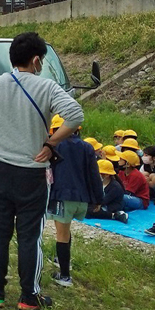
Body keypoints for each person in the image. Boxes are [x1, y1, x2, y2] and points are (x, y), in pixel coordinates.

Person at [0, 32, 84, 310]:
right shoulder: (47, 88)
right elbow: (75, 115)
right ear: (36, 60)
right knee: (29, 235)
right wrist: (52, 142)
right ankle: (28, 296)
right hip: (32, 173)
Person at [46, 116, 103, 288]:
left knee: (61, 235)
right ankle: (61, 260)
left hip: (63, 196)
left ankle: (65, 276)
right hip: (82, 198)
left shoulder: (55, 145)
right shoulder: (87, 147)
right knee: (66, 230)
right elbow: (94, 174)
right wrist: (98, 198)